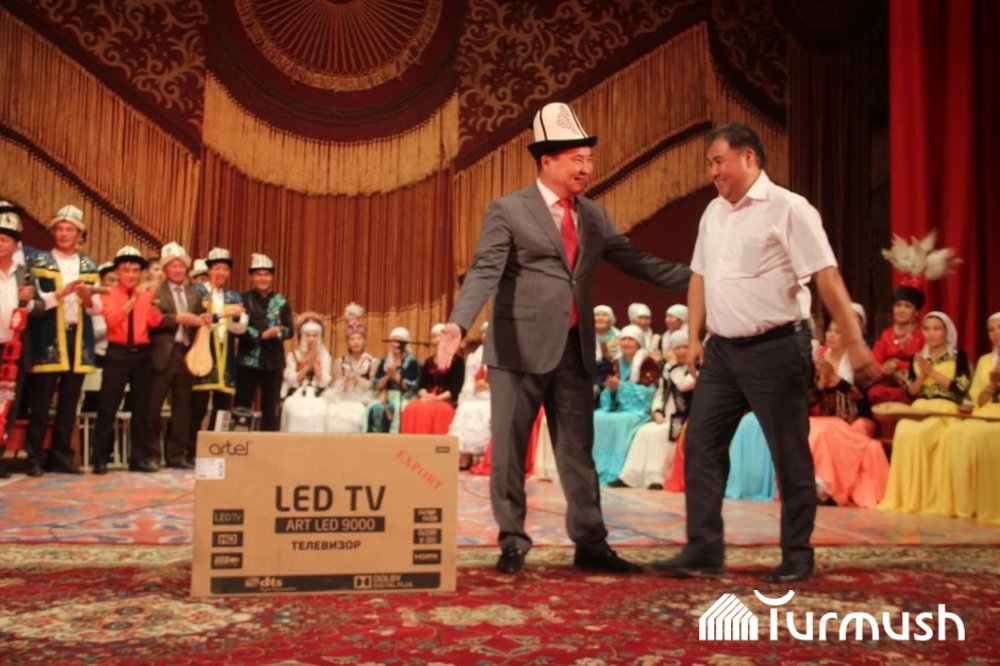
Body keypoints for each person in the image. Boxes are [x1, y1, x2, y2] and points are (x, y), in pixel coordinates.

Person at [440, 101, 691, 574]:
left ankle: (591, 542)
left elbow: (637, 261)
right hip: (517, 350)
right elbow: (484, 270)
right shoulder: (508, 210)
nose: (586, 168)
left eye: (588, 159)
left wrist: (699, 278)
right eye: (577, 159)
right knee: (509, 450)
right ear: (547, 160)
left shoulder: (593, 216)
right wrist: (459, 323)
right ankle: (513, 539)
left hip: (574, 351)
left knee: (577, 450)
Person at [652, 124, 877, 583]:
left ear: (749, 158)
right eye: (709, 164)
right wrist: (694, 339)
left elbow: (827, 276)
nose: (713, 172)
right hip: (722, 352)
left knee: (788, 452)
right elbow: (699, 277)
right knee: (701, 444)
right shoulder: (713, 213)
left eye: (719, 161)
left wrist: (855, 342)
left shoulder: (789, 208)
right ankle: (704, 549)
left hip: (776, 348)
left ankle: (797, 552)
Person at [24, 204, 101, 476]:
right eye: (60, 229)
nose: (64, 234)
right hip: (47, 334)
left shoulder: (89, 265)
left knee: (69, 402)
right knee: (41, 402)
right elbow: (31, 303)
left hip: (78, 337)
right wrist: (59, 295)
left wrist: (87, 298)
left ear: (80, 234)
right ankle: (34, 457)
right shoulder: (39, 262)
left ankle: (62, 457)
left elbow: (96, 309)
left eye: (70, 230)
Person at [879, 311, 971, 515]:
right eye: (927, 329)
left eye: (936, 329)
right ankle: (908, 497)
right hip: (919, 406)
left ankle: (927, 497)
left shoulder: (958, 355)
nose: (931, 333)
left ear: (946, 332)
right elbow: (911, 392)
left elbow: (960, 388)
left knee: (922, 433)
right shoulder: (917, 358)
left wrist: (931, 372)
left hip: (945, 409)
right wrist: (922, 374)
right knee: (904, 429)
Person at [89, 246, 164, 473]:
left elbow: (154, 322)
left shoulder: (146, 295)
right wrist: (132, 301)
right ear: (118, 272)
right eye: (126, 270)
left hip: (142, 354)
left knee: (141, 410)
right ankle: (100, 458)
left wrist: (152, 301)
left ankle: (138, 459)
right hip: (117, 353)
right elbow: (112, 321)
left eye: (135, 271)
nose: (131, 275)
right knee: (108, 407)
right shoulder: (109, 293)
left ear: (141, 273)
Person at [807, 319, 889, 508]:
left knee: (827, 430)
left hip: (857, 419)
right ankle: (815, 487)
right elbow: (808, 401)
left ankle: (828, 489)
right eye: (830, 330)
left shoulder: (858, 362)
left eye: (838, 332)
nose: (831, 335)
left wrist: (837, 380)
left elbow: (865, 400)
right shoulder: (820, 361)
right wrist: (820, 386)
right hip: (829, 420)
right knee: (811, 426)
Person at [149, 243, 207, 469]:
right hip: (162, 352)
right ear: (165, 269)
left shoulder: (194, 294)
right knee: (153, 407)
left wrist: (204, 321)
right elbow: (151, 320)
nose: (177, 270)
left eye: (181, 266)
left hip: (186, 353)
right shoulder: (156, 291)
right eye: (173, 266)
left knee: (183, 407)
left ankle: (176, 455)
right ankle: (152, 455)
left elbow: (200, 319)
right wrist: (177, 319)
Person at [614, 329, 694, 490]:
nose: (681, 351)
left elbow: (684, 385)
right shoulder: (669, 369)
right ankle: (629, 477)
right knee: (644, 432)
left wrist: (672, 366)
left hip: (687, 417)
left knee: (659, 434)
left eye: (685, 347)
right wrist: (657, 411)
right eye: (677, 348)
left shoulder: (696, 369)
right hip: (667, 417)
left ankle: (656, 478)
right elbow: (660, 393)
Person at [939, 313, 1000, 522]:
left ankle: (988, 503)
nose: (996, 334)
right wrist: (992, 384)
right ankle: (964, 503)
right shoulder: (985, 361)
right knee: (954, 432)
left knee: (981, 436)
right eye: (991, 330)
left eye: (999, 328)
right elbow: (978, 400)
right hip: (985, 412)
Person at [190, 248, 247, 448]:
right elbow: (196, 320)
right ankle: (191, 448)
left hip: (226, 356)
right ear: (209, 271)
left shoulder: (233, 296)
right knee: (198, 405)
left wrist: (236, 317)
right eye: (217, 268)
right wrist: (222, 314)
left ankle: (217, 447)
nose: (220, 273)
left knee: (223, 407)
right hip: (203, 353)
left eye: (224, 269)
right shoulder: (197, 292)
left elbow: (240, 329)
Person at [0, 209, 41, 478]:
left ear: (16, 245)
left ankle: (0, 457)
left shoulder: (25, 274)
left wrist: (30, 301)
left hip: (12, 350)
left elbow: (40, 309)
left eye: (5, 239)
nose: (0, 243)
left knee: (7, 406)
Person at [591, 324, 659, 485]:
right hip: (618, 406)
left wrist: (621, 386)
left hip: (638, 410)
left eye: (630, 339)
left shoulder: (648, 362)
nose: (626, 343)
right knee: (597, 417)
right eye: (623, 339)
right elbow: (608, 390)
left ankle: (618, 470)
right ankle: (596, 467)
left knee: (623, 421)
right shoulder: (616, 362)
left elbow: (648, 393)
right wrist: (612, 390)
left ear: (638, 343)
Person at [235, 254, 292, 431]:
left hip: (273, 361)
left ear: (272, 277)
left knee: (271, 407)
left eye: (267, 274)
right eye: (258, 274)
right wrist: (261, 335)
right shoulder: (242, 300)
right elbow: (239, 328)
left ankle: (268, 441)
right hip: (248, 360)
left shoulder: (281, 301)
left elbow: (290, 329)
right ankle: (240, 440)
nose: (263, 278)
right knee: (242, 405)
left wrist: (279, 331)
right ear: (252, 277)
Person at [867, 279, 926, 406]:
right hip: (887, 384)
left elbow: (926, 363)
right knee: (874, 392)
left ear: (916, 312)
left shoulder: (922, 335)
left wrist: (898, 364)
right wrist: (888, 371)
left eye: (907, 306)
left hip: (913, 386)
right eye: (898, 305)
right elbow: (875, 361)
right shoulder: (886, 334)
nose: (901, 310)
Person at [401, 324, 465, 435]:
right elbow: (421, 385)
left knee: (432, 410)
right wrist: (425, 395)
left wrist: (436, 398)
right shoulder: (429, 361)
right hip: (428, 398)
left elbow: (456, 388)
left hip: (446, 399)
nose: (435, 339)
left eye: (438, 336)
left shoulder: (457, 361)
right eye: (433, 336)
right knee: (410, 408)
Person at [449, 322, 493, 470]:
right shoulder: (473, 356)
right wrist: (473, 389)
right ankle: (465, 455)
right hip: (475, 394)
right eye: (484, 332)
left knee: (486, 412)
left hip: (491, 396)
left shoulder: (499, 355)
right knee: (466, 410)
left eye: (489, 332)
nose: (486, 335)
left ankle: (483, 456)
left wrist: (488, 386)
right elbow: (468, 380)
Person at [325, 313, 376, 433]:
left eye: (359, 338)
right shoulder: (340, 361)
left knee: (355, 416)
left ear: (364, 341)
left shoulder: (372, 361)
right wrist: (345, 381)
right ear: (347, 342)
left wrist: (358, 380)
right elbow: (336, 387)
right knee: (333, 414)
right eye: (352, 339)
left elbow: (373, 385)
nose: (356, 342)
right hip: (344, 397)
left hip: (363, 399)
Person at [281, 315, 332, 432]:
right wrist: (307, 366)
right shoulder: (293, 355)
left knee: (320, 411)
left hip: (318, 394)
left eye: (315, 335)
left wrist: (315, 363)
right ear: (302, 337)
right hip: (297, 393)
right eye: (308, 335)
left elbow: (324, 382)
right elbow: (292, 382)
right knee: (294, 411)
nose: (311, 339)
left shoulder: (325, 355)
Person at [365, 327, 419, 433]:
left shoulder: (412, 362)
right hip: (385, 396)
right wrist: (388, 376)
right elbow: (376, 385)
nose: (395, 344)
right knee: (374, 407)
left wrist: (396, 376)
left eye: (399, 341)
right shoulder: (385, 361)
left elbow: (412, 388)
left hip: (403, 397)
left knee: (400, 409)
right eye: (393, 341)